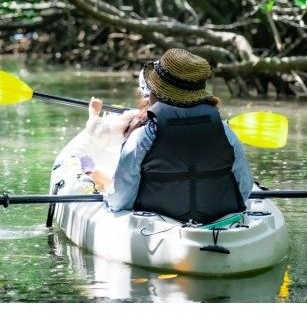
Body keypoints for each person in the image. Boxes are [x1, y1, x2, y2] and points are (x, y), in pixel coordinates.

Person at [103, 48, 254, 225]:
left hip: (158, 229)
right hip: (219, 222)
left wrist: (106, 195)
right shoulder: (224, 130)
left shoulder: (144, 136)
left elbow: (120, 200)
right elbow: (244, 188)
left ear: (158, 93)